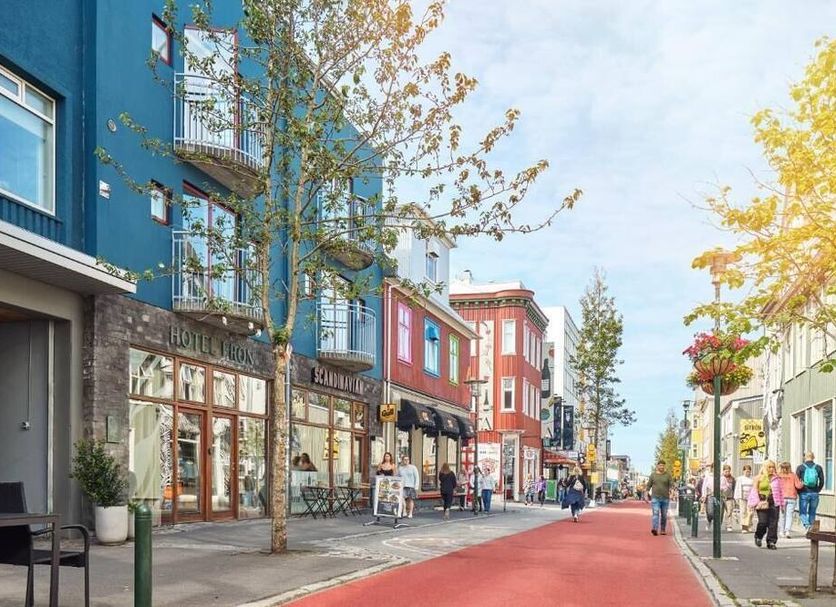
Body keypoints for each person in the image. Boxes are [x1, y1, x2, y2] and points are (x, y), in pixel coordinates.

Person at [748, 460, 784, 549]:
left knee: (773, 523)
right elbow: (754, 491)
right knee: (763, 522)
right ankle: (758, 536)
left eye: (773, 467)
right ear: (765, 467)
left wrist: (782, 504)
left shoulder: (777, 478)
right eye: (769, 467)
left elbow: (781, 492)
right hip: (762, 502)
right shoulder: (759, 478)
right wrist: (753, 503)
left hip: (774, 502)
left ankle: (771, 541)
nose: (772, 469)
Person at [795, 451, 824, 530]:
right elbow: (822, 481)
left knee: (802, 512)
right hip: (815, 493)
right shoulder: (818, 467)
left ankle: (807, 525)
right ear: (813, 457)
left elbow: (796, 481)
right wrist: (818, 490)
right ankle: (811, 529)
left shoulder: (800, 467)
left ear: (805, 457)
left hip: (804, 492)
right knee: (812, 512)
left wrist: (798, 492)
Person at [646, 460, 673, 535]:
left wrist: (672, 493)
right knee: (655, 513)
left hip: (665, 498)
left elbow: (671, 485)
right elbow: (648, 485)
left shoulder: (668, 475)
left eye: (663, 465)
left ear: (664, 466)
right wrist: (646, 495)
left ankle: (662, 529)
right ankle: (655, 528)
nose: (661, 467)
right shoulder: (653, 475)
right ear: (657, 466)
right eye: (660, 465)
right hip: (655, 498)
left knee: (664, 515)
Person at [777, 461, 800, 538]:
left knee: (782, 515)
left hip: (782, 498)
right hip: (792, 497)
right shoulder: (793, 475)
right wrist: (802, 483)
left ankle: (781, 532)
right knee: (789, 515)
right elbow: (798, 486)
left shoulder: (779, 475)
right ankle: (787, 531)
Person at [734, 464, 754, 533]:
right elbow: (737, 488)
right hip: (742, 497)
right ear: (743, 471)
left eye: (749, 471)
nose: (747, 472)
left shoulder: (752, 478)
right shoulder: (740, 479)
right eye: (746, 471)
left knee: (750, 512)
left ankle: (749, 525)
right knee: (743, 512)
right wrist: (736, 497)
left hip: (751, 498)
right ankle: (744, 527)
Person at [720, 464, 736, 532]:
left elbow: (734, 488)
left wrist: (734, 497)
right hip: (721, 497)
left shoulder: (732, 479)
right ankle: (718, 525)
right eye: (726, 471)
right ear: (723, 471)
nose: (727, 473)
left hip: (729, 497)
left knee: (729, 512)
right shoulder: (720, 478)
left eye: (728, 471)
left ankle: (729, 525)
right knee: (720, 513)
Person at [700, 465, 715, 531]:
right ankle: (709, 520)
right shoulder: (708, 476)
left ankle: (717, 526)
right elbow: (704, 486)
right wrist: (704, 495)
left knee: (719, 513)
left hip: (719, 495)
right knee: (710, 512)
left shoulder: (721, 476)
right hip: (710, 495)